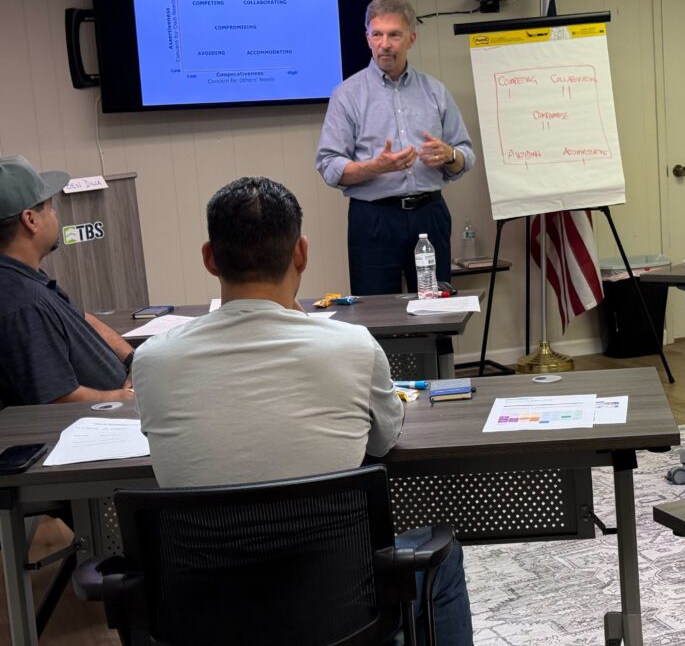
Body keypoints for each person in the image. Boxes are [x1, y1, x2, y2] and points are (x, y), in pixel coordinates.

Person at [132, 176, 473, 645]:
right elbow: (384, 438)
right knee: (444, 558)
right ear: (302, 254)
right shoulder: (352, 347)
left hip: (204, 618)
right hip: (340, 615)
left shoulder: (153, 360)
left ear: (210, 258)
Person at [316, 0, 476, 295]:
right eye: (377, 34)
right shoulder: (347, 95)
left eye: (394, 35)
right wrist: (374, 167)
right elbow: (328, 164)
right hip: (374, 218)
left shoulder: (435, 92)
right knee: (377, 314)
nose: (384, 43)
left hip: (429, 215)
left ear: (411, 40)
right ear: (367, 38)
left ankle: (436, 342)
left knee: (436, 310)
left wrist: (449, 154)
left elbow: (465, 154)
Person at [0, 155, 134, 406]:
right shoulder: (25, 305)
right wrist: (127, 397)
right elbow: (58, 398)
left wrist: (133, 360)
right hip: (95, 426)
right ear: (30, 220)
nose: (55, 215)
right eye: (50, 207)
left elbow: (83, 318)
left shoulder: (26, 276)